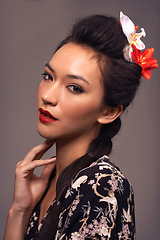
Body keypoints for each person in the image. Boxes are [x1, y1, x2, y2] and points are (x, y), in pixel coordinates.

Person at [3, 12, 158, 240]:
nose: (48, 96)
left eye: (74, 87)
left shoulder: (104, 188)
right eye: (48, 76)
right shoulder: (48, 182)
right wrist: (19, 211)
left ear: (109, 112)